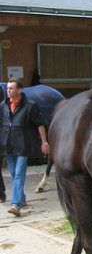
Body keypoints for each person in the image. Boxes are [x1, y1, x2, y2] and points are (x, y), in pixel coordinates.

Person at [0, 78, 49, 217]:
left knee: (19, 174)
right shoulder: (3, 106)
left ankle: (16, 204)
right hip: (8, 145)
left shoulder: (30, 106)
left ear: (20, 90)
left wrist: (44, 142)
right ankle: (22, 198)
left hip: (23, 145)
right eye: (8, 88)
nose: (8, 91)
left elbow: (39, 124)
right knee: (13, 173)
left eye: (11, 88)